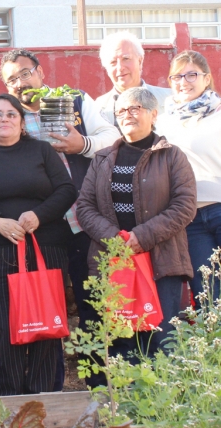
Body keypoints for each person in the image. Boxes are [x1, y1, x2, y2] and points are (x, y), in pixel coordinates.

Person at [0, 48, 119, 389]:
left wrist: (82, 144)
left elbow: (112, 138)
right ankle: (49, 389)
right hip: (44, 227)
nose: (21, 83)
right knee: (47, 303)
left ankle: (99, 388)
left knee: (91, 304)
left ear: (39, 72)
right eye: (12, 80)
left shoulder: (71, 100)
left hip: (84, 221)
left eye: (25, 73)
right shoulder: (12, 118)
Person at [0, 93, 77, 395]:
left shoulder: (41, 151)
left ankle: (43, 401)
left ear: (22, 123)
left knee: (45, 327)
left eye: (11, 114)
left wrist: (38, 215)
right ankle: (9, 402)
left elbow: (66, 190)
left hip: (44, 248)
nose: (4, 120)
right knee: (1, 328)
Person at [77, 87, 196, 358]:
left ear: (153, 114)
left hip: (161, 262)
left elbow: (184, 206)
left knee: (161, 340)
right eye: (121, 111)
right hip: (113, 260)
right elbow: (85, 206)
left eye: (135, 109)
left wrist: (140, 237)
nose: (127, 115)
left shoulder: (171, 156)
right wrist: (116, 240)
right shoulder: (102, 158)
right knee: (122, 343)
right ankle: (124, 401)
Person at [157, 50, 221, 305]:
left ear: (206, 79)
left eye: (191, 74)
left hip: (220, 208)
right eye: (177, 76)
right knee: (207, 292)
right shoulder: (162, 122)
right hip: (189, 218)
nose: (184, 81)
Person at [96, 31, 171, 125]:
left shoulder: (169, 99)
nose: (120, 68)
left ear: (140, 61)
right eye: (113, 62)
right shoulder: (97, 108)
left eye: (126, 59)